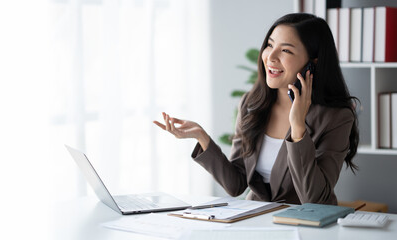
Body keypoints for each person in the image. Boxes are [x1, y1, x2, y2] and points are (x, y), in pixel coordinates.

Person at [153, 13, 359, 205]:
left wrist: (298, 129)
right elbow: (236, 185)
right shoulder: (251, 104)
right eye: (270, 45)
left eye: (286, 50)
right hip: (257, 221)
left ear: (312, 63)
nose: (271, 56)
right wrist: (202, 138)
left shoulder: (336, 117)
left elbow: (315, 200)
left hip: (307, 226)